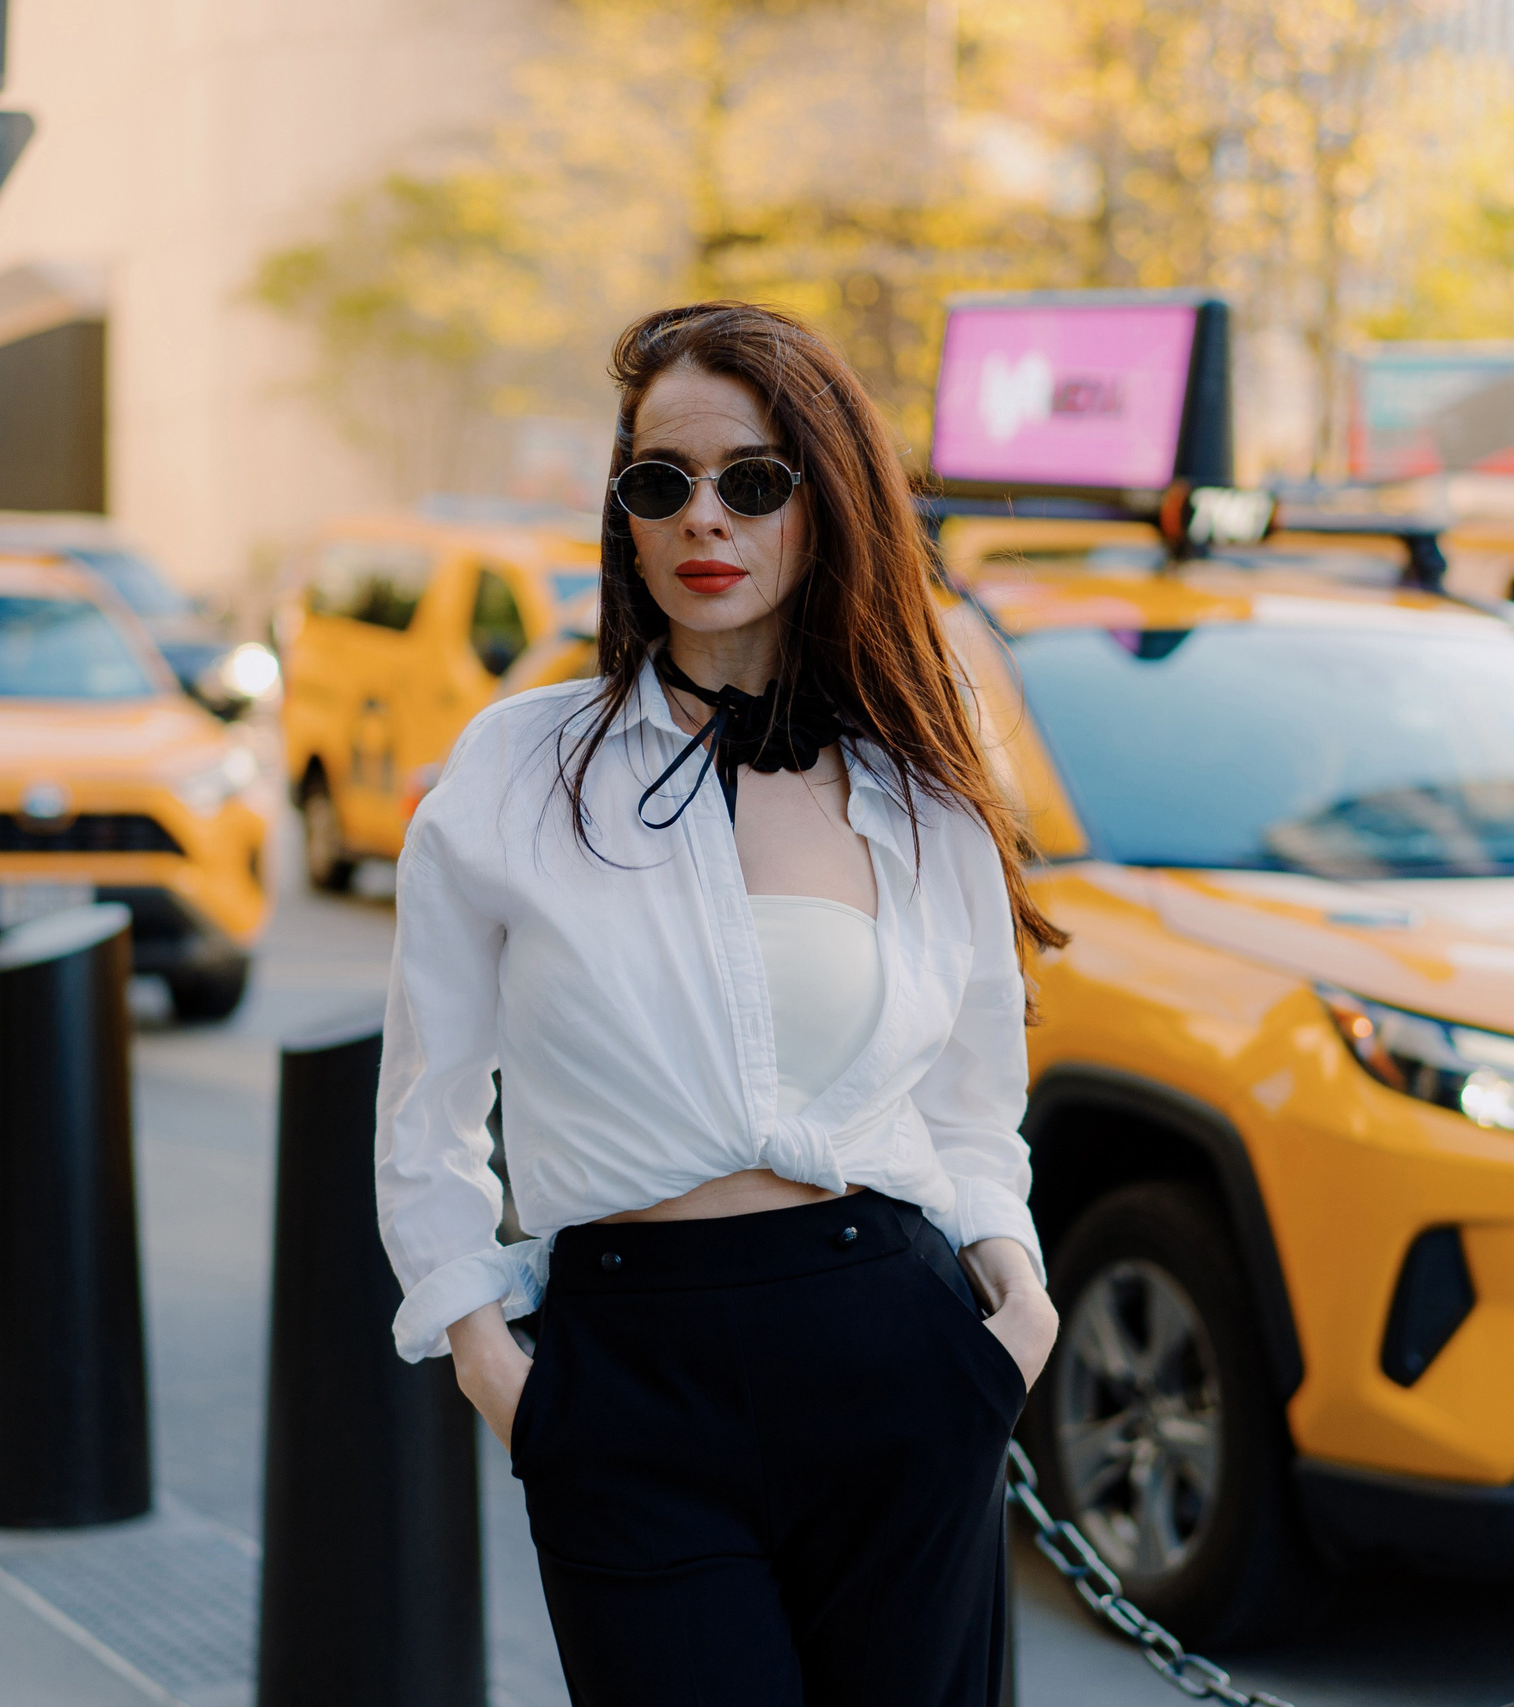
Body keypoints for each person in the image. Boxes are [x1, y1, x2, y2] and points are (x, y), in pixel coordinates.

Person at [375, 300, 1066, 1706]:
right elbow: (428, 1103)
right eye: (660, 482)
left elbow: (973, 1103)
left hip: (898, 1353)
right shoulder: (514, 771)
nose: (705, 519)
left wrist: (1017, 1314)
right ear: (622, 513)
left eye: (753, 482)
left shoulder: (920, 790)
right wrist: (489, 1365)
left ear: (829, 505)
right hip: (630, 1380)